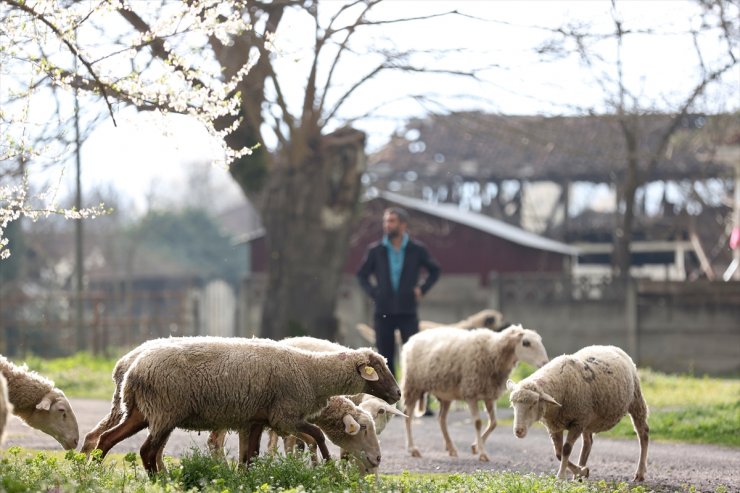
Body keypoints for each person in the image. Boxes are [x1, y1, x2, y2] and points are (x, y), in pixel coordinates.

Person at [356, 206, 441, 378]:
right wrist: (374, 292)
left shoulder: (417, 249)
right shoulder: (376, 250)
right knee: (384, 360)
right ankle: (391, 403)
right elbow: (361, 274)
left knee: (414, 356)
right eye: (386, 221)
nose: (387, 225)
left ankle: (419, 403)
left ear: (403, 225)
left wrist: (422, 289)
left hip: (408, 311)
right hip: (383, 312)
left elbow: (435, 270)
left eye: (392, 221)